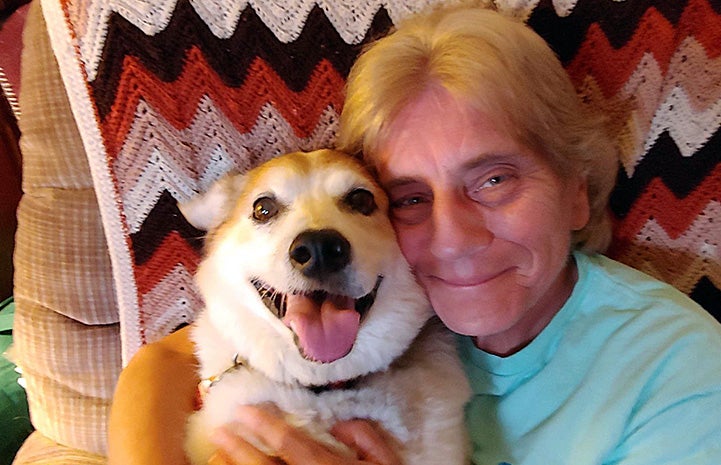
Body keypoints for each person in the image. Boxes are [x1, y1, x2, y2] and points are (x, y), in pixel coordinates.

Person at [108, 4, 721, 465]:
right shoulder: (389, 314)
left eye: (495, 180)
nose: (452, 238)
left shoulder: (684, 374)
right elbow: (166, 360)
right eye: (410, 197)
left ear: (577, 190)